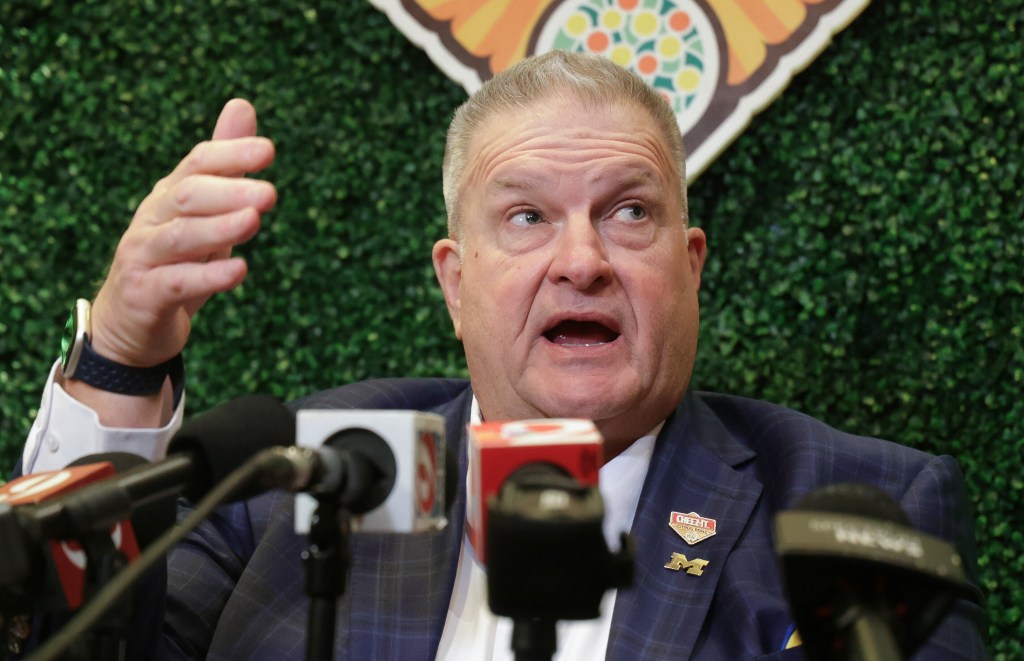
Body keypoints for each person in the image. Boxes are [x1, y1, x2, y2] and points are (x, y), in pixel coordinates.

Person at [19, 51, 985, 659]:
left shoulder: (852, 502)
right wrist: (119, 361)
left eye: (630, 212)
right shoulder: (314, 471)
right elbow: (75, 644)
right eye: (526, 216)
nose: (583, 261)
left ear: (691, 268)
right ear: (455, 279)